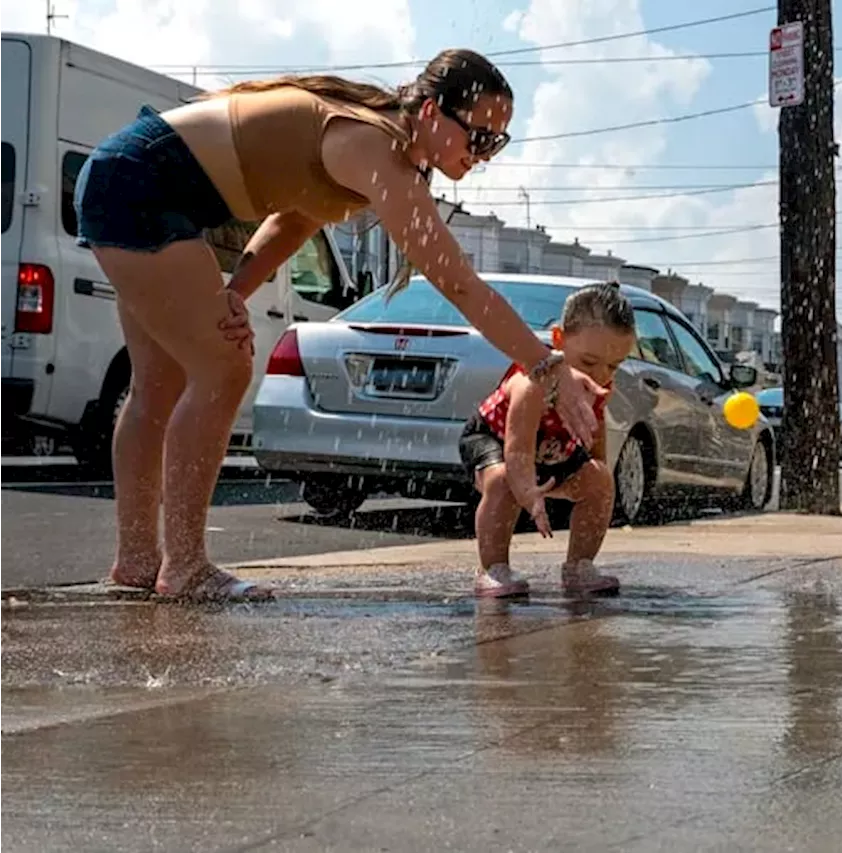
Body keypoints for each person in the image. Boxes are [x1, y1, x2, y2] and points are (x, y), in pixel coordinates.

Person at [72, 49, 607, 603]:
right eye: (480, 138)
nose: (485, 155)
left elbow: (294, 218)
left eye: (497, 143)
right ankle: (183, 566)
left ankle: (137, 563)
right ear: (430, 113)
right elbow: (459, 284)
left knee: (158, 384)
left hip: (132, 175)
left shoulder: (374, 147)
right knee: (222, 368)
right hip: (141, 183)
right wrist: (546, 366)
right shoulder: (374, 145)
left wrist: (233, 293)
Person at [458, 283, 637, 598]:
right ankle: (493, 567)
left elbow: (595, 433)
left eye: (613, 366)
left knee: (600, 480)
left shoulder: (597, 386)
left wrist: (600, 480)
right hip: (497, 441)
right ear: (558, 339)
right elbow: (517, 450)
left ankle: (579, 566)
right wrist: (529, 497)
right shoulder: (532, 384)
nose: (600, 375)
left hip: (551, 453)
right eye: (588, 362)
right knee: (502, 482)